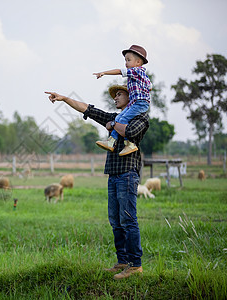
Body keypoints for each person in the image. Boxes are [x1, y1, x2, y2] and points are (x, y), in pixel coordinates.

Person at [44, 85, 149, 280]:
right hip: (113, 174)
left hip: (128, 174)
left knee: (128, 219)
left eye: (119, 94)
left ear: (131, 96)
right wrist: (65, 98)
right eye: (115, 95)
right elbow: (89, 110)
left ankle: (135, 265)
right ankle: (122, 261)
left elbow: (130, 132)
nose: (115, 98)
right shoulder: (113, 116)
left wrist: (112, 125)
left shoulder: (140, 117)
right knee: (115, 221)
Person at [93, 45, 151, 156]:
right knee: (118, 118)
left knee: (122, 119)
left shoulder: (135, 71)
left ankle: (129, 144)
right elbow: (150, 86)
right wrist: (132, 85)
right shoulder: (141, 75)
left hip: (139, 103)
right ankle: (111, 142)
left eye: (128, 60)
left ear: (138, 62)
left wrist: (104, 73)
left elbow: (120, 71)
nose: (126, 63)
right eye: (125, 60)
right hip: (135, 103)